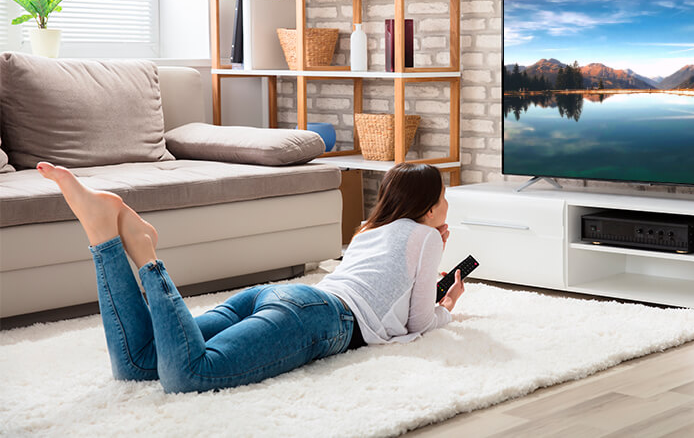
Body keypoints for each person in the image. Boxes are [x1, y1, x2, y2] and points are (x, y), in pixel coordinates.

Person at [36, 161, 465, 393]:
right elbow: (418, 324)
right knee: (190, 375)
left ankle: (103, 238)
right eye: (443, 198)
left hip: (282, 296)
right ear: (428, 209)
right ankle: (147, 257)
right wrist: (446, 307)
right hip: (320, 318)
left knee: (139, 361)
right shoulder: (427, 237)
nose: (446, 204)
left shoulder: (371, 230)